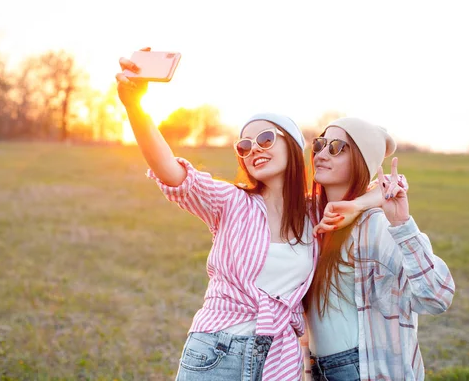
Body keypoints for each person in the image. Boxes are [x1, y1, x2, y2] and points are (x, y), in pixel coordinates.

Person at [115, 48, 389, 381]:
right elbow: (169, 170)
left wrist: (357, 205)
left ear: (291, 145)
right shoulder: (228, 201)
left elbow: (392, 187)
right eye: (244, 146)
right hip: (217, 351)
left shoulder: (314, 212)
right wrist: (135, 106)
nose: (253, 148)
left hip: (280, 356)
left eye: (264, 138)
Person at [303, 117, 456, 381]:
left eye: (337, 147)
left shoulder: (378, 226)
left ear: (362, 161)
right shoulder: (310, 217)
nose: (322, 154)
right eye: (320, 144)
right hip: (316, 368)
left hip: (361, 369)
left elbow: (437, 297)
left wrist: (401, 225)